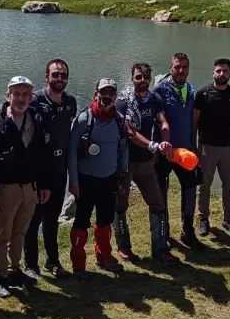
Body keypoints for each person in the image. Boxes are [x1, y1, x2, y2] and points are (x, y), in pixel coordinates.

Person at [0, 76, 50, 296]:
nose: (21, 98)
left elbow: (41, 155)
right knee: (2, 234)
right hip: (5, 187)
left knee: (20, 232)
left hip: (29, 186)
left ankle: (14, 270)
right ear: (7, 95)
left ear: (31, 97)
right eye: (16, 94)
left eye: (25, 94)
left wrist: (42, 183)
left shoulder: (35, 118)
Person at [115, 62, 178, 265]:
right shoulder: (122, 101)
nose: (142, 81)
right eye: (138, 77)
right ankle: (123, 247)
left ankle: (160, 249)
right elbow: (129, 132)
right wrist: (152, 144)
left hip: (146, 163)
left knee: (158, 204)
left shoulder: (155, 99)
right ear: (132, 77)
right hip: (125, 162)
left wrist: (166, 139)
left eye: (146, 77)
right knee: (120, 205)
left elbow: (162, 121)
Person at [67, 78, 129, 276]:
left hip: (109, 179)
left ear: (115, 96)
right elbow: (71, 153)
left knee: (104, 220)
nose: (107, 96)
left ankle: (104, 256)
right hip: (86, 180)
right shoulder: (84, 119)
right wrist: (74, 181)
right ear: (96, 94)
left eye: (111, 92)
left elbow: (123, 149)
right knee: (81, 222)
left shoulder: (119, 120)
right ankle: (78, 263)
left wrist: (123, 174)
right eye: (103, 92)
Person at [26, 59, 77, 278]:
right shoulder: (34, 101)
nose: (59, 79)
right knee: (33, 220)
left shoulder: (70, 102)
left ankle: (52, 261)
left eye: (63, 75)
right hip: (38, 172)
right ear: (47, 76)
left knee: (52, 218)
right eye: (55, 74)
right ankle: (30, 264)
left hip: (59, 170)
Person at [154, 53, 204, 251]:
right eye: (177, 67)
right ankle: (163, 232)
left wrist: (195, 146)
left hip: (186, 151)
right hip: (165, 151)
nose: (181, 70)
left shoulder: (192, 91)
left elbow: (195, 122)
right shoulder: (159, 90)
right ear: (170, 67)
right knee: (161, 192)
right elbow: (156, 122)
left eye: (184, 67)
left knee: (190, 189)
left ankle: (188, 231)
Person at [193, 58, 230, 237]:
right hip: (206, 147)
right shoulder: (202, 93)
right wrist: (193, 146)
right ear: (213, 72)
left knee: (229, 186)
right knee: (204, 186)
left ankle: (228, 219)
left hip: (228, 148)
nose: (221, 74)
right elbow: (194, 121)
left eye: (225, 71)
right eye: (218, 71)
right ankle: (203, 219)